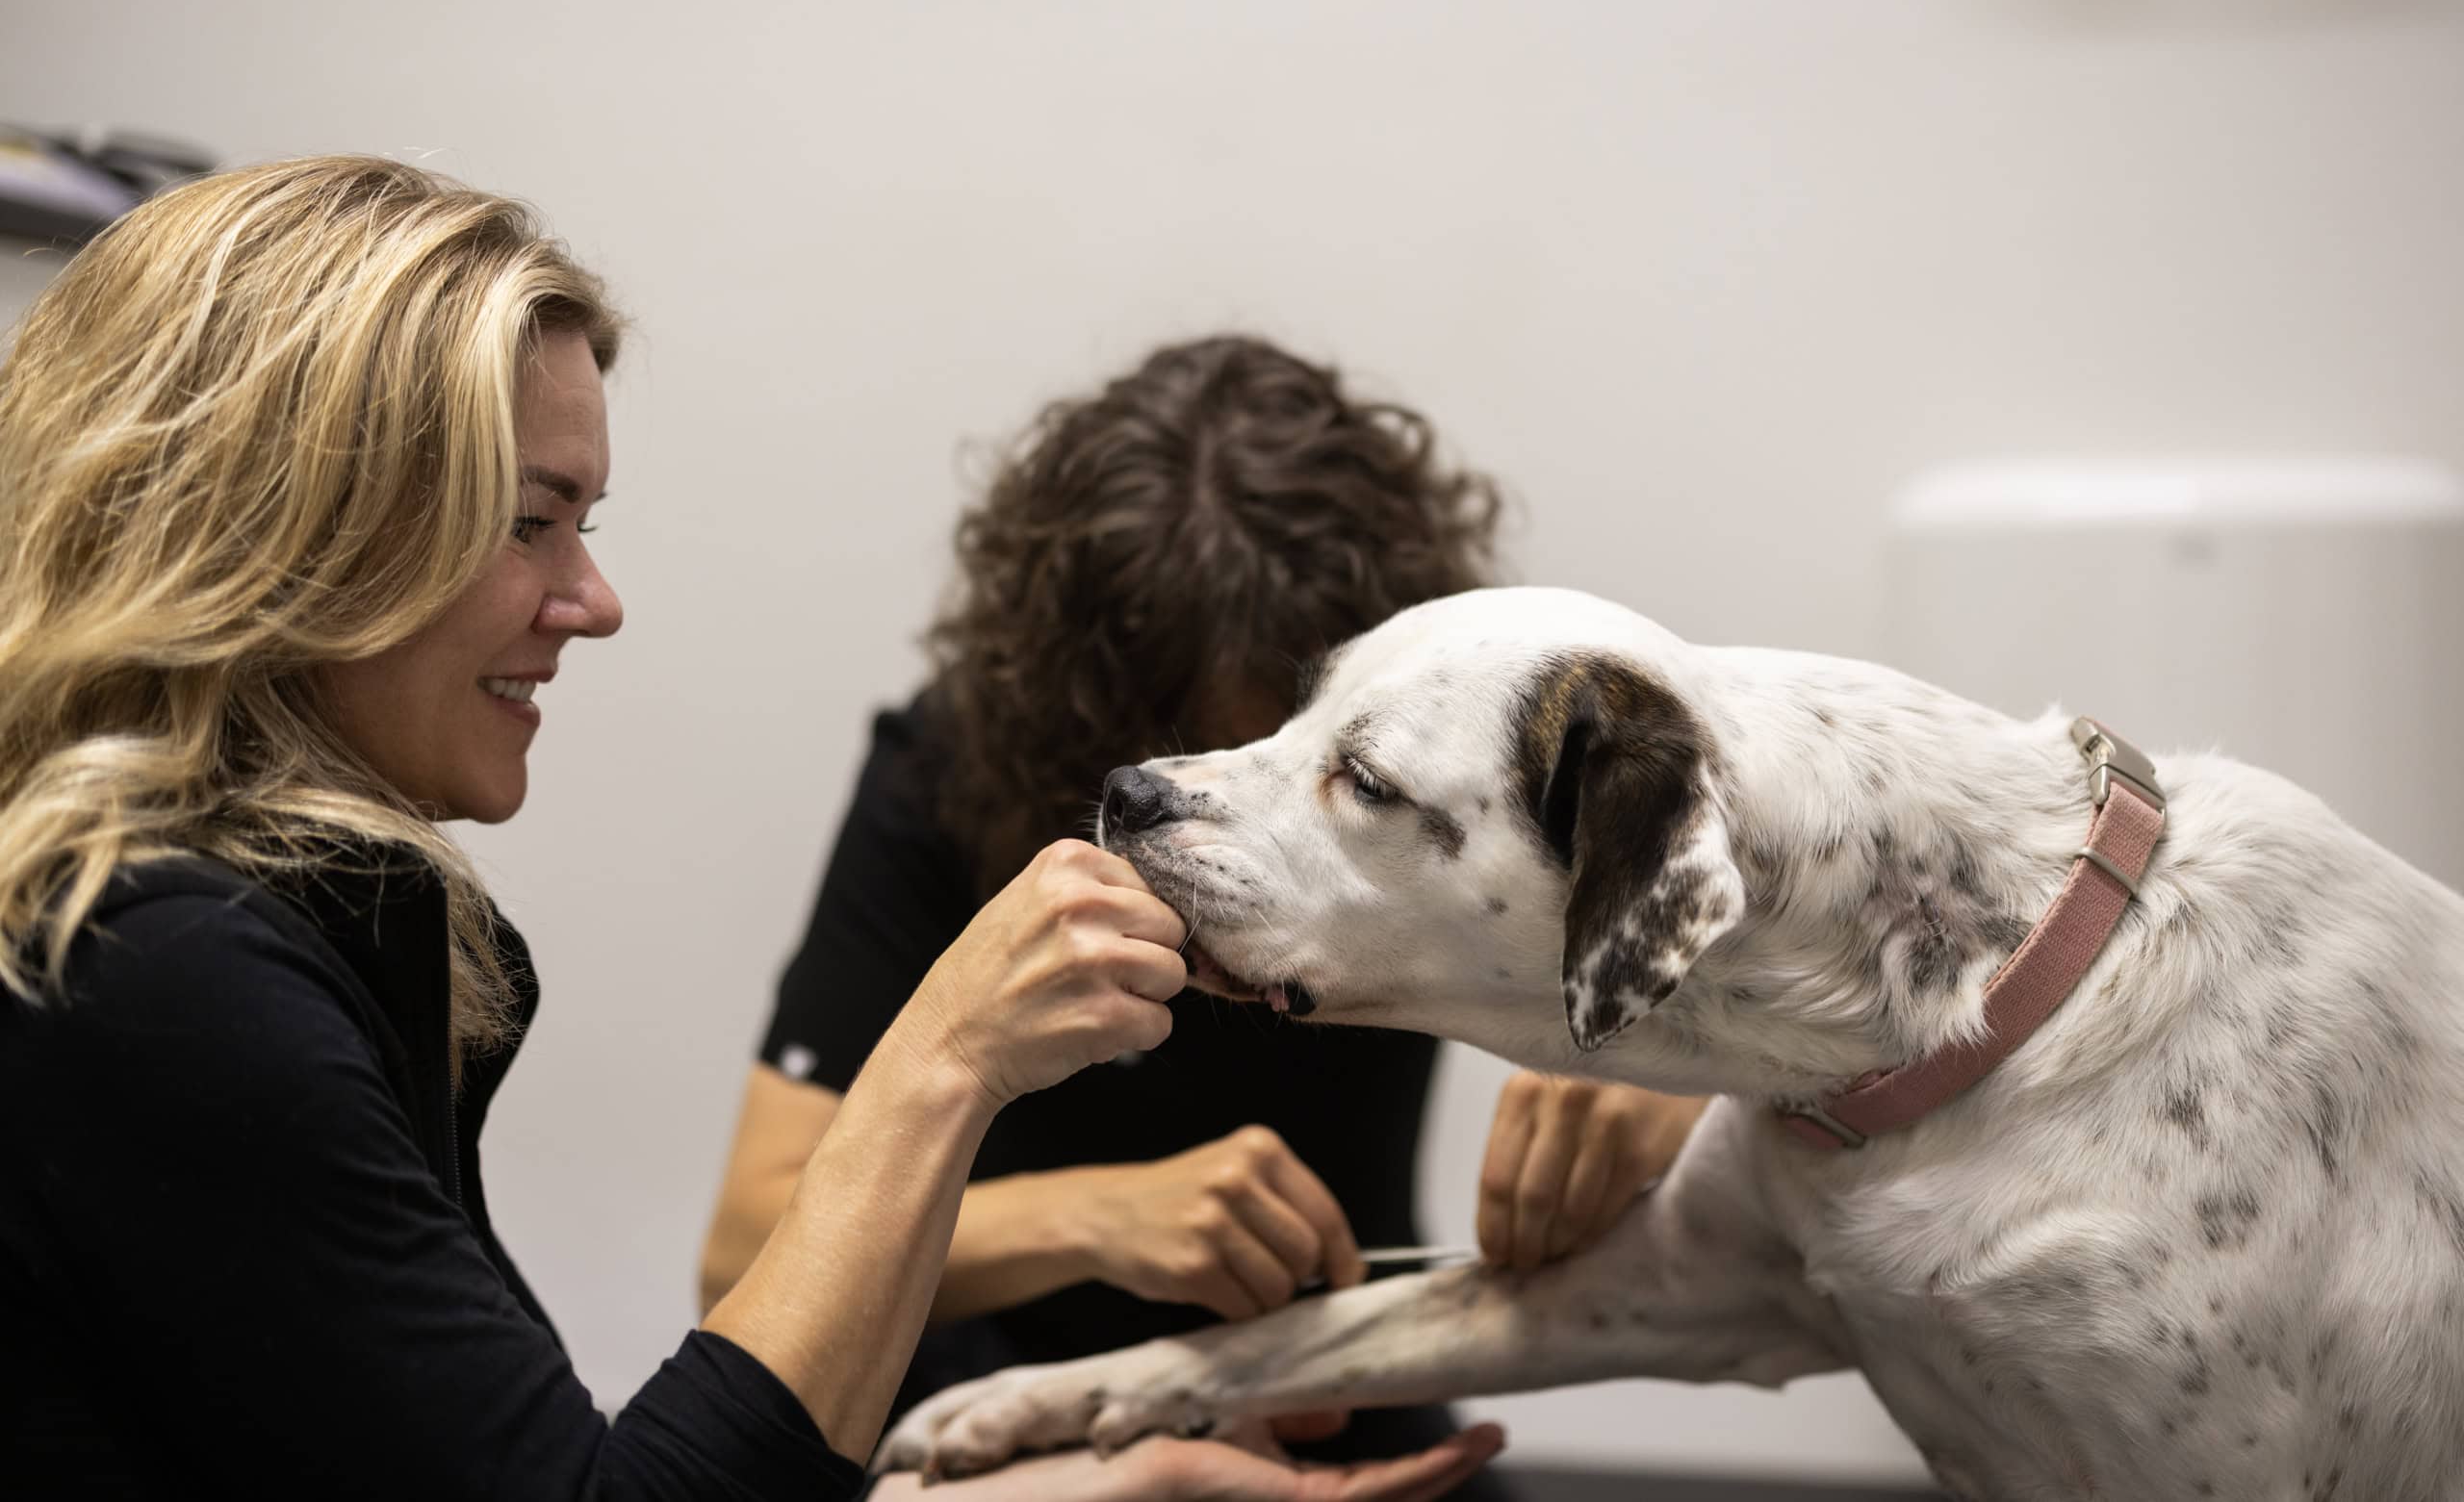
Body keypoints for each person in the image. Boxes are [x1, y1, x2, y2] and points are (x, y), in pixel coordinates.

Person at [0, 156, 1503, 1501]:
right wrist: (951, 1059)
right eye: (531, 519)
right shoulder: (161, 971)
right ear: (285, 524)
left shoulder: (244, 943)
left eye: (585, 524)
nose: (597, 602)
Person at [700, 337, 1708, 1495]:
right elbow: (743, 1254)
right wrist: (1096, 1218)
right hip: (1003, 1438)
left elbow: (1752, 991)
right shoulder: (943, 775)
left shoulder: (1467, 790)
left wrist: (1665, 1074)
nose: (1245, 787)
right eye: (1205, 738)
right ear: (1084, 702)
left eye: (1349, 775)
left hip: (1333, 1408)